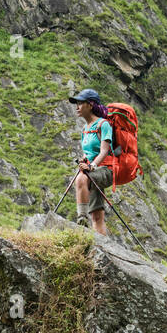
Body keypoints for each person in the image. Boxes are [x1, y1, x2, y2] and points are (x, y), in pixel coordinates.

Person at [69, 87, 114, 234]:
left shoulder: (103, 124)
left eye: (80, 103)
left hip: (106, 170)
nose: (77, 107)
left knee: (81, 179)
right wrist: (85, 159)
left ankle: (81, 219)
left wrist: (92, 166)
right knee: (96, 215)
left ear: (90, 105)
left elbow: (104, 151)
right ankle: (103, 245)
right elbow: (89, 152)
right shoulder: (85, 129)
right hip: (93, 171)